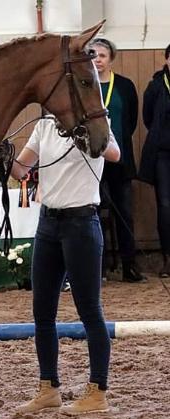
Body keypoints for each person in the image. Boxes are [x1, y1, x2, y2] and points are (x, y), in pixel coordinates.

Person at [5, 115, 120, 415]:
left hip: (81, 224)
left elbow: (114, 154)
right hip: (48, 224)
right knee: (42, 311)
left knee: (90, 311)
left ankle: (98, 392)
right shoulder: (44, 125)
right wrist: (4, 154)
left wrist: (88, 138)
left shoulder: (97, 122)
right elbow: (21, 170)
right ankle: (48, 388)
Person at [90, 38, 145, 282]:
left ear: (111, 58)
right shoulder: (84, 84)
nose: (98, 60)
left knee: (124, 213)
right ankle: (98, 268)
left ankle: (129, 266)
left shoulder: (124, 85)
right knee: (94, 214)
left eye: (102, 55)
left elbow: (131, 121)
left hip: (119, 159)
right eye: (93, 55)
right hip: (92, 161)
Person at [139, 43, 170, 278]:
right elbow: (147, 118)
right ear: (167, 59)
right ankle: (168, 257)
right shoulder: (156, 86)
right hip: (163, 154)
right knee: (166, 205)